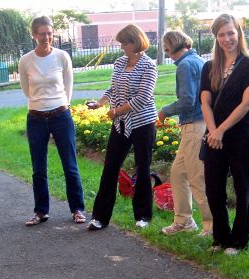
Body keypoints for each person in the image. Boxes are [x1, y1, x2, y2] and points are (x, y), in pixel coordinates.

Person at [200, 14, 249, 255]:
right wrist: (213, 131)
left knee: (243, 186)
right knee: (213, 187)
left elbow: (246, 104)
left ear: (239, 33)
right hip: (213, 135)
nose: (227, 39)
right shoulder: (210, 67)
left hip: (239, 135)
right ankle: (220, 237)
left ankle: (239, 241)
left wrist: (221, 130)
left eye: (231, 33)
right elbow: (205, 102)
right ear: (215, 38)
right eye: (221, 34)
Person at [86, 24, 158, 230]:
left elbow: (143, 98)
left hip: (143, 123)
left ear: (135, 42)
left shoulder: (148, 65)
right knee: (110, 168)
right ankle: (99, 217)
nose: (121, 47)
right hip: (121, 124)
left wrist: (116, 111)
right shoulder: (119, 62)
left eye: (124, 43)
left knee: (142, 168)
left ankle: (143, 216)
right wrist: (100, 102)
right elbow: (113, 87)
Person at [19, 16, 86, 226]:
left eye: (49, 33)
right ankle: (41, 212)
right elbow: (25, 89)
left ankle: (77, 209)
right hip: (36, 118)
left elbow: (68, 85)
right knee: (38, 168)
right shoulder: (26, 61)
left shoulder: (62, 56)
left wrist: (62, 104)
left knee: (70, 165)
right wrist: (39, 103)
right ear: (34, 35)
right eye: (41, 33)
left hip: (60, 115)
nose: (46, 37)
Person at [158, 31, 213, 237]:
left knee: (196, 178)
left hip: (194, 125)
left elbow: (187, 100)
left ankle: (211, 225)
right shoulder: (197, 60)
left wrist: (164, 111)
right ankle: (183, 220)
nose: (164, 50)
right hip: (197, 124)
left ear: (171, 45)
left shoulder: (184, 65)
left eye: (165, 45)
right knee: (177, 173)